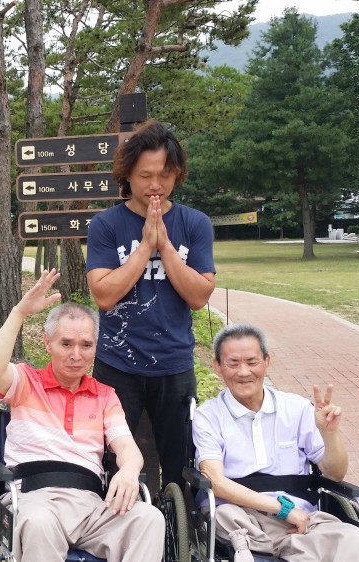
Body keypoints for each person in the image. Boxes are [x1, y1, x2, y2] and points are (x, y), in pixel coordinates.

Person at [0, 268, 164, 562]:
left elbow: (127, 448)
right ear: (48, 343)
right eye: (66, 344)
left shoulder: (105, 396)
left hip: (91, 505)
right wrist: (19, 312)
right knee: (39, 522)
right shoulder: (26, 382)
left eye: (86, 345)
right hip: (35, 498)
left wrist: (130, 471)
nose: (76, 355)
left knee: (149, 519)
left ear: (96, 347)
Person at [85, 119, 216, 492]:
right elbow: (104, 295)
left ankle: (177, 525)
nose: (155, 184)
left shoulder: (195, 223)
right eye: (145, 175)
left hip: (174, 364)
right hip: (117, 365)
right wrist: (144, 247)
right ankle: (118, 524)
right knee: (113, 462)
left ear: (177, 174)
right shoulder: (106, 225)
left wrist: (166, 247)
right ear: (127, 174)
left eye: (165, 175)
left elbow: (199, 296)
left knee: (181, 465)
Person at [193, 323, 359, 562]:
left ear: (267, 362)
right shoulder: (208, 415)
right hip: (242, 522)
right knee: (225, 515)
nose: (244, 372)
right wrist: (281, 509)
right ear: (217, 366)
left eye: (252, 362)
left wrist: (330, 434)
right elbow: (216, 483)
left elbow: (335, 474)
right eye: (233, 363)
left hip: (302, 522)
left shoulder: (296, 408)